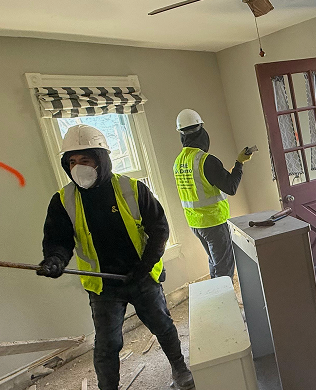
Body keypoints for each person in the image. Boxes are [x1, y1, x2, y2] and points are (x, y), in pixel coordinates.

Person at [38, 124, 195, 390]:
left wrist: (146, 265)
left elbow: (158, 229)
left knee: (163, 326)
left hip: (140, 276)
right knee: (107, 344)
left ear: (101, 159)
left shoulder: (131, 188)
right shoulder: (63, 201)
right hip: (103, 286)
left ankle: (180, 369)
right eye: (72, 161)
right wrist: (55, 259)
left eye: (85, 160)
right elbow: (58, 240)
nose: (78, 167)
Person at [173, 109, 253, 278]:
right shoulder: (205, 160)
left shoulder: (179, 162)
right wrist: (239, 163)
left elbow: (204, 185)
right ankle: (223, 302)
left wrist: (227, 174)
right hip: (214, 223)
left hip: (195, 223)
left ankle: (216, 297)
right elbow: (231, 187)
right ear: (201, 131)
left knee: (214, 262)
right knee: (224, 268)